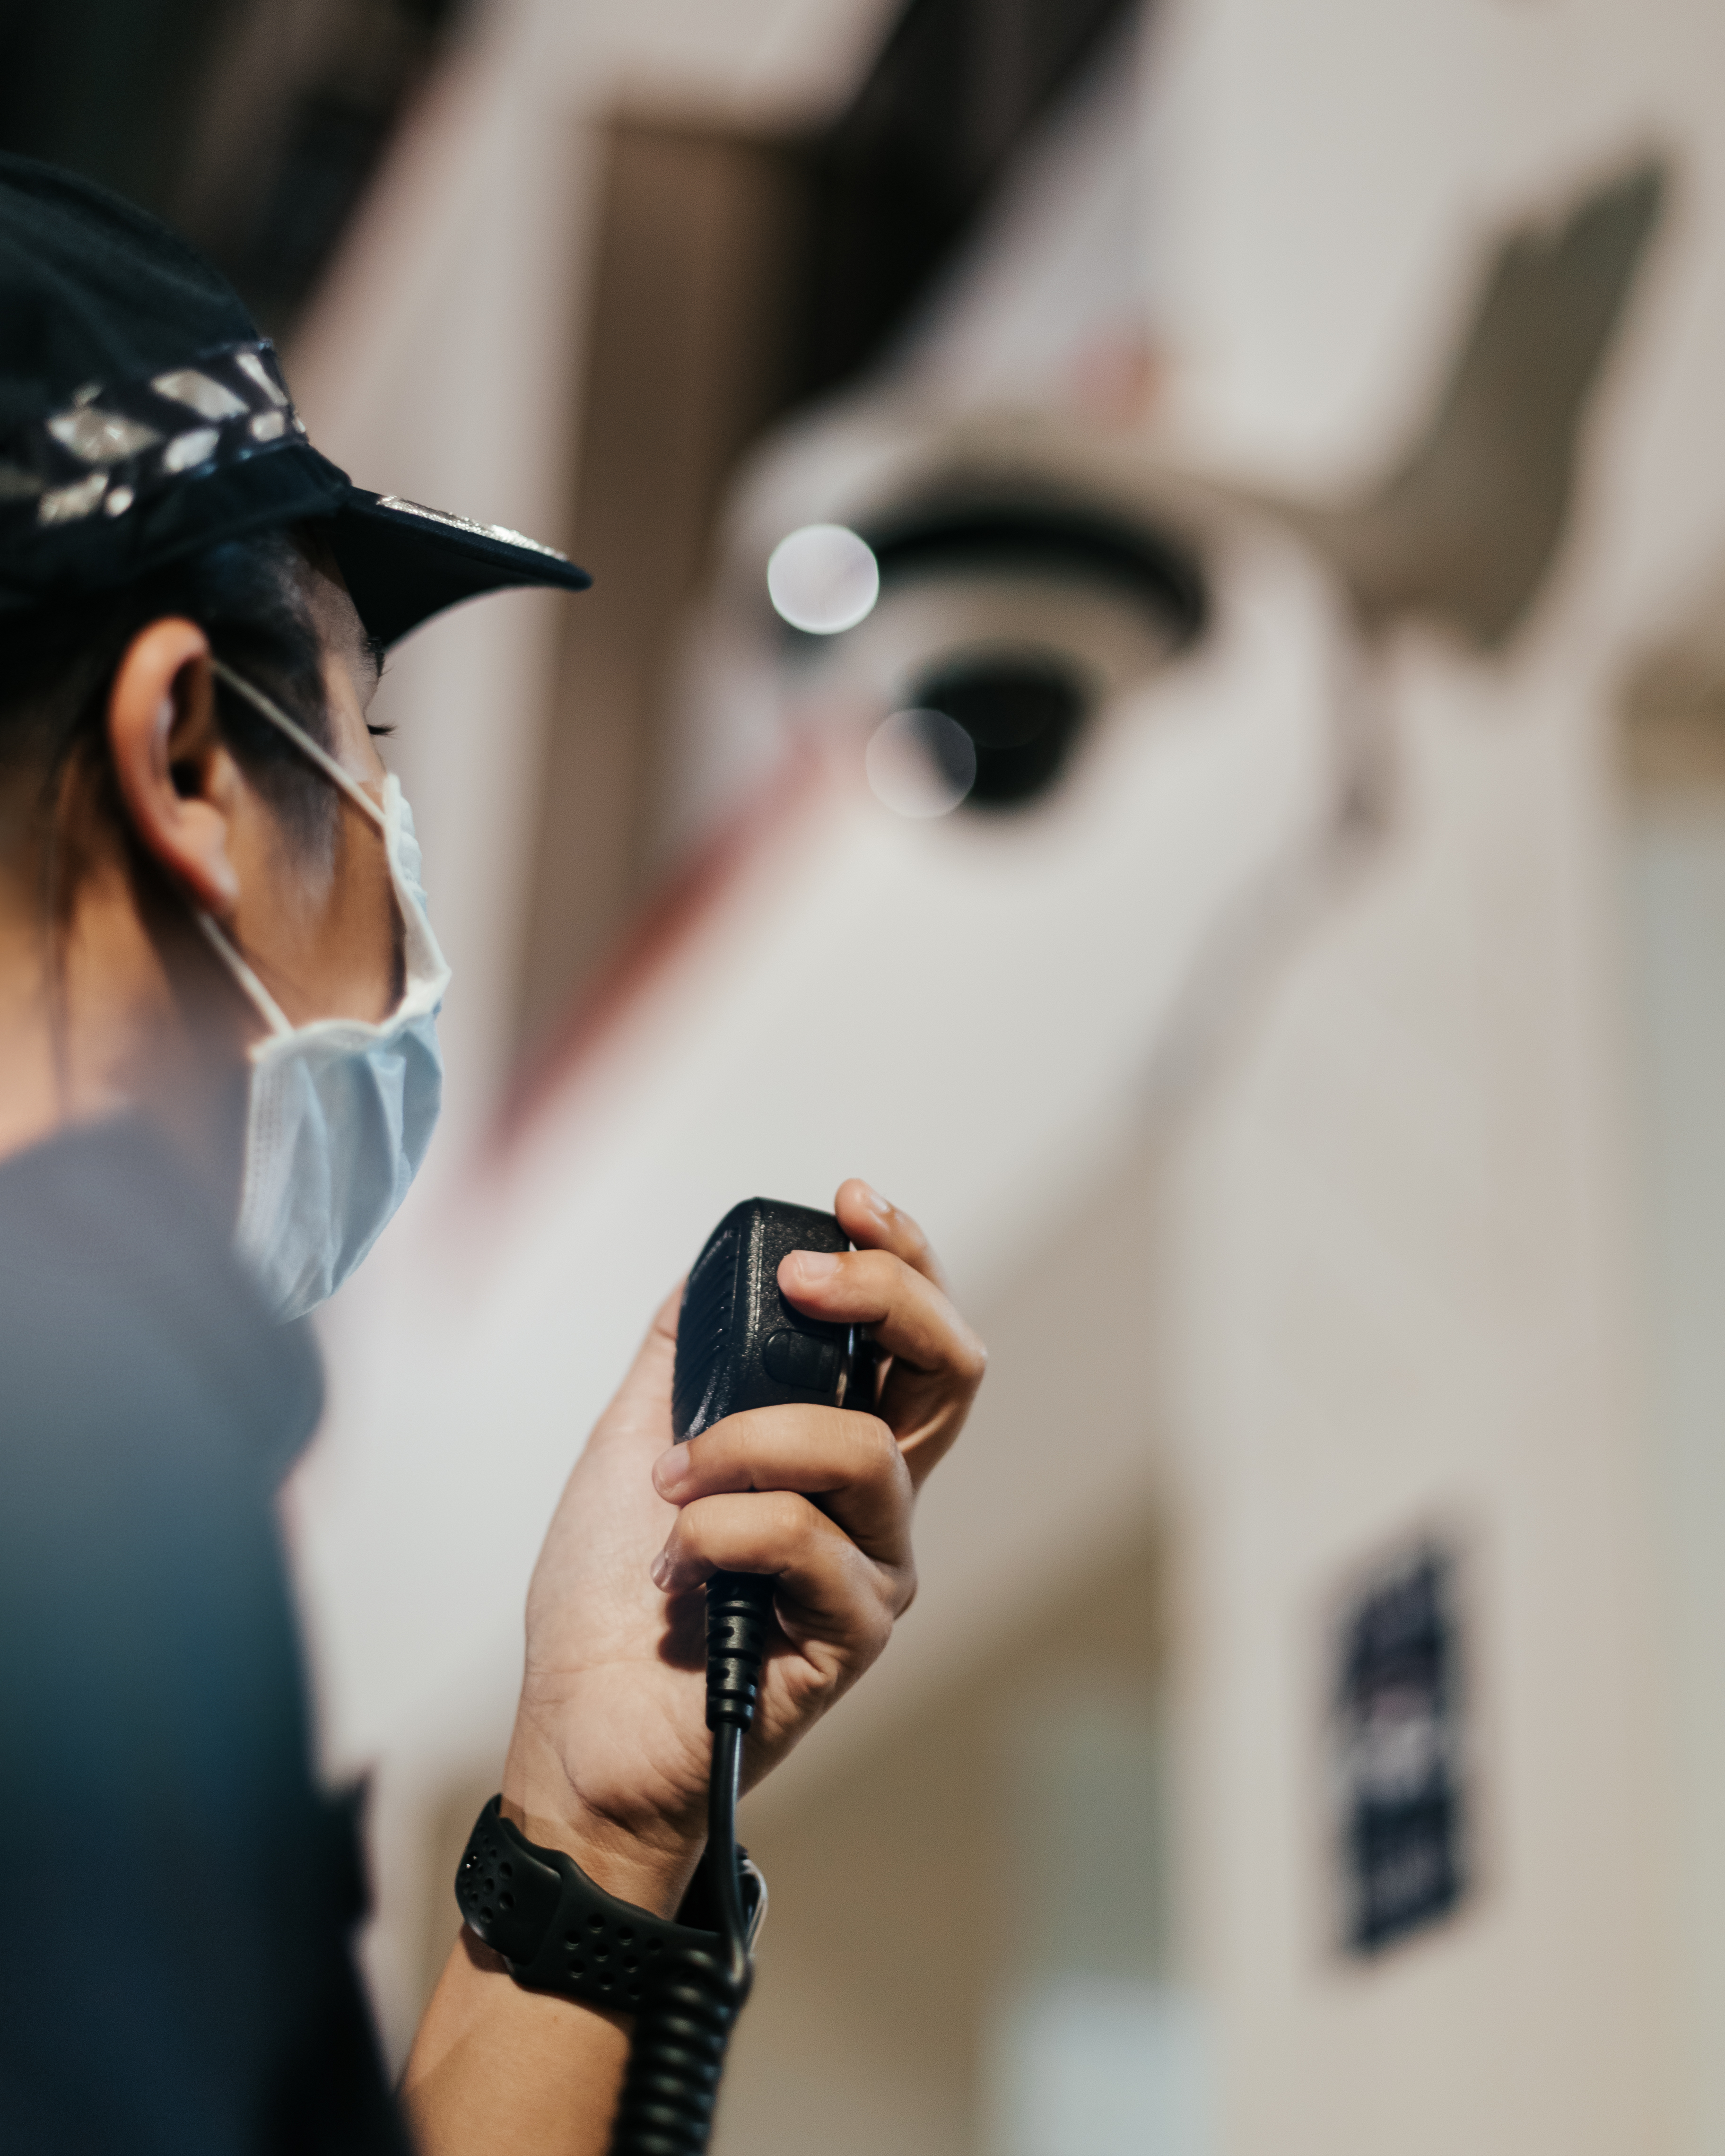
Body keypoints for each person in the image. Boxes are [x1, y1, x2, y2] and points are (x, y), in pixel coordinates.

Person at [0, 157, 986, 2154]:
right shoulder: (81, 1443)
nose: (390, 845)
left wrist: (589, 1824)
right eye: (368, 743)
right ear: (187, 758)